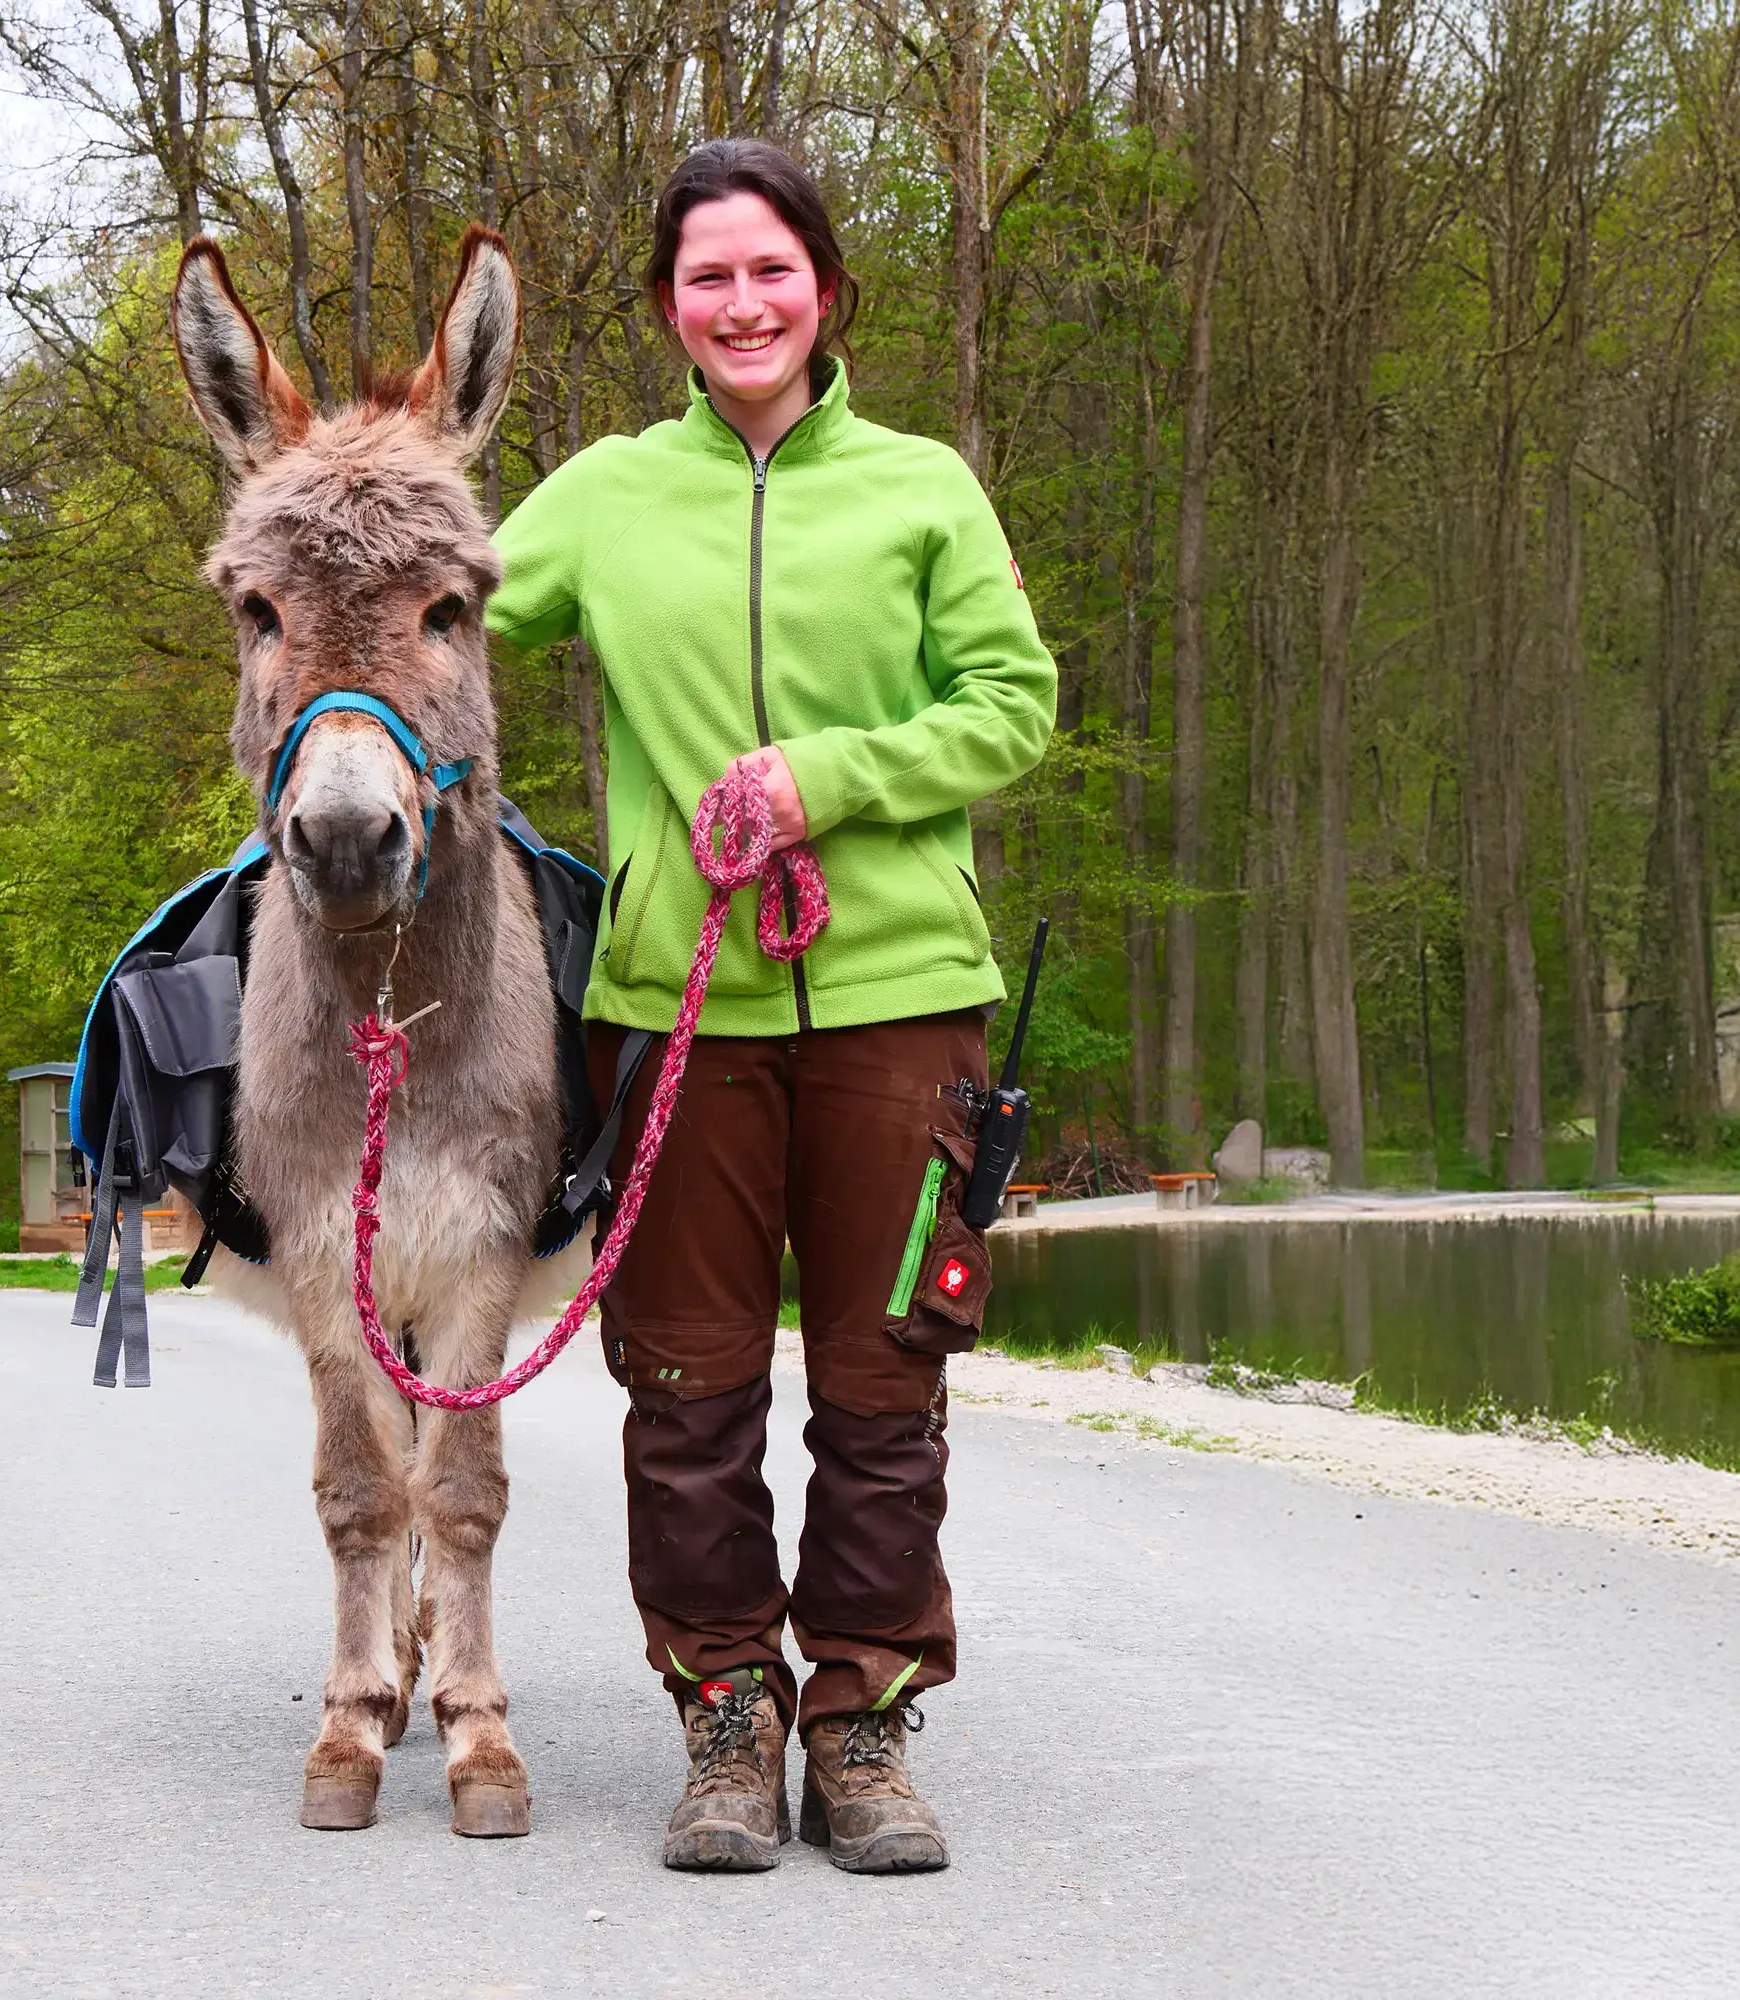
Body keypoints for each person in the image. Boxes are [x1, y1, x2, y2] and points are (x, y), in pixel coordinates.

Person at [486, 139, 1057, 1874]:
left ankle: (862, 1725)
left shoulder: (920, 489)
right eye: (706, 277)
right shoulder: (598, 495)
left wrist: (833, 775)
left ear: (823, 290)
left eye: (770, 270)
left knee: (886, 1386)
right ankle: (725, 1717)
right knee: (684, 1389)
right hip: (674, 1005)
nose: (741, 303)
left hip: (900, 1000)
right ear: (667, 306)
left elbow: (1011, 704)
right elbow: (429, 610)